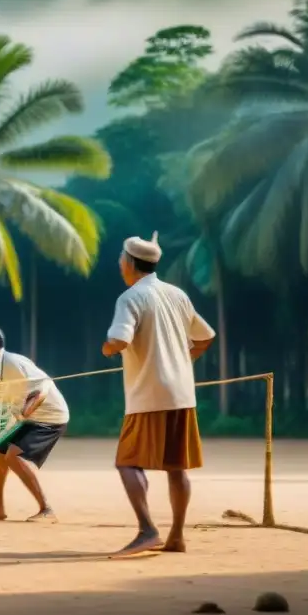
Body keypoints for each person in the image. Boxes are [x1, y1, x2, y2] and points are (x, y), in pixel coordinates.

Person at [102, 232, 215, 556]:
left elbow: (119, 340)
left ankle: (147, 530)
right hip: (181, 394)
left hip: (148, 396)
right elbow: (205, 338)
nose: (119, 265)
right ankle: (176, 536)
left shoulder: (130, 298)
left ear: (129, 264)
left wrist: (107, 348)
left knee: (127, 462)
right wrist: (179, 359)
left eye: (121, 261)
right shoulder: (176, 294)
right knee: (176, 468)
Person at [0, 325, 69, 522]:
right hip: (28, 418)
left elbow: (43, 388)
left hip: (50, 417)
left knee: (14, 456)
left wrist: (29, 407)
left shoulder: (12, 364)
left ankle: (46, 510)